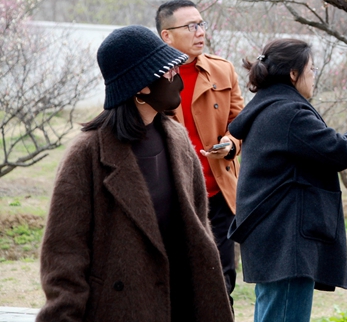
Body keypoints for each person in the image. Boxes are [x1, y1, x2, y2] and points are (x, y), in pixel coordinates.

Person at [37, 25, 234, 322]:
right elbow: (64, 254)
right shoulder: (87, 153)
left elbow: (199, 230)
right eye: (167, 70)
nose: (176, 78)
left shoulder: (178, 140)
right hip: (120, 310)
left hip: (183, 304)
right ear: (141, 85)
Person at [227, 38, 347, 322]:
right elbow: (340, 151)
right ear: (293, 74)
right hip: (286, 242)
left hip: (273, 239)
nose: (314, 77)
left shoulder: (268, 107)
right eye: (311, 69)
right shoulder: (288, 113)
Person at [156, 0, 245, 306]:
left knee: (221, 283)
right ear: (167, 35)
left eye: (201, 24)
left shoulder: (223, 70)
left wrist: (231, 145)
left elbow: (241, 123)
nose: (200, 32)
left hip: (218, 194)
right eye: (190, 26)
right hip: (171, 195)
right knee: (172, 282)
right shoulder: (151, 78)